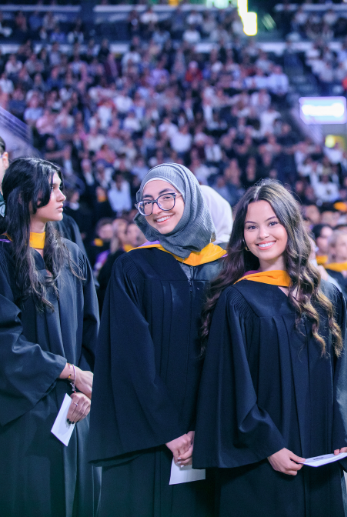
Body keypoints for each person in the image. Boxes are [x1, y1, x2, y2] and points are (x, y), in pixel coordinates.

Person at [193, 179, 347, 516]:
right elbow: (232, 386)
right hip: (262, 459)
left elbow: (342, 373)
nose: (262, 235)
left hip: (321, 454)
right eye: (251, 227)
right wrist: (268, 446)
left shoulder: (325, 295)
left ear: (291, 225)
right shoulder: (237, 299)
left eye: (272, 223)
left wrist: (344, 432)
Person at [89, 163, 225, 517]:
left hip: (212, 429)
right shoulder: (133, 267)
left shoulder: (227, 268)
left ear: (191, 197)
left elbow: (234, 355)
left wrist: (205, 426)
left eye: (167, 197)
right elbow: (128, 356)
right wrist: (168, 430)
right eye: (146, 201)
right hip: (148, 432)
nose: (155, 209)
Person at [0, 158, 99, 515]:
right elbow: (5, 341)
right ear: (26, 195)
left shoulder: (72, 255)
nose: (62, 195)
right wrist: (71, 372)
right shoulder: (3, 257)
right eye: (53, 187)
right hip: (25, 416)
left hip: (75, 413)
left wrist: (85, 387)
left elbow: (92, 331)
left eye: (60, 186)